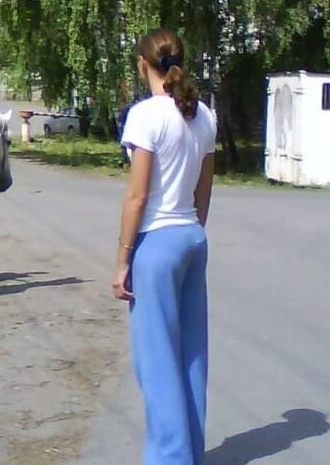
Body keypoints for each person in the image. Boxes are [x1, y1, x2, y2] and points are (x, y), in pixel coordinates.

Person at [112, 27, 217, 465]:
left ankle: (170, 459)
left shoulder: (145, 115)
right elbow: (204, 191)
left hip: (156, 244)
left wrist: (122, 260)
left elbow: (137, 196)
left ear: (143, 65)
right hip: (193, 237)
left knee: (156, 363)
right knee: (191, 354)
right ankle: (190, 451)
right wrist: (191, 231)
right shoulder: (205, 115)